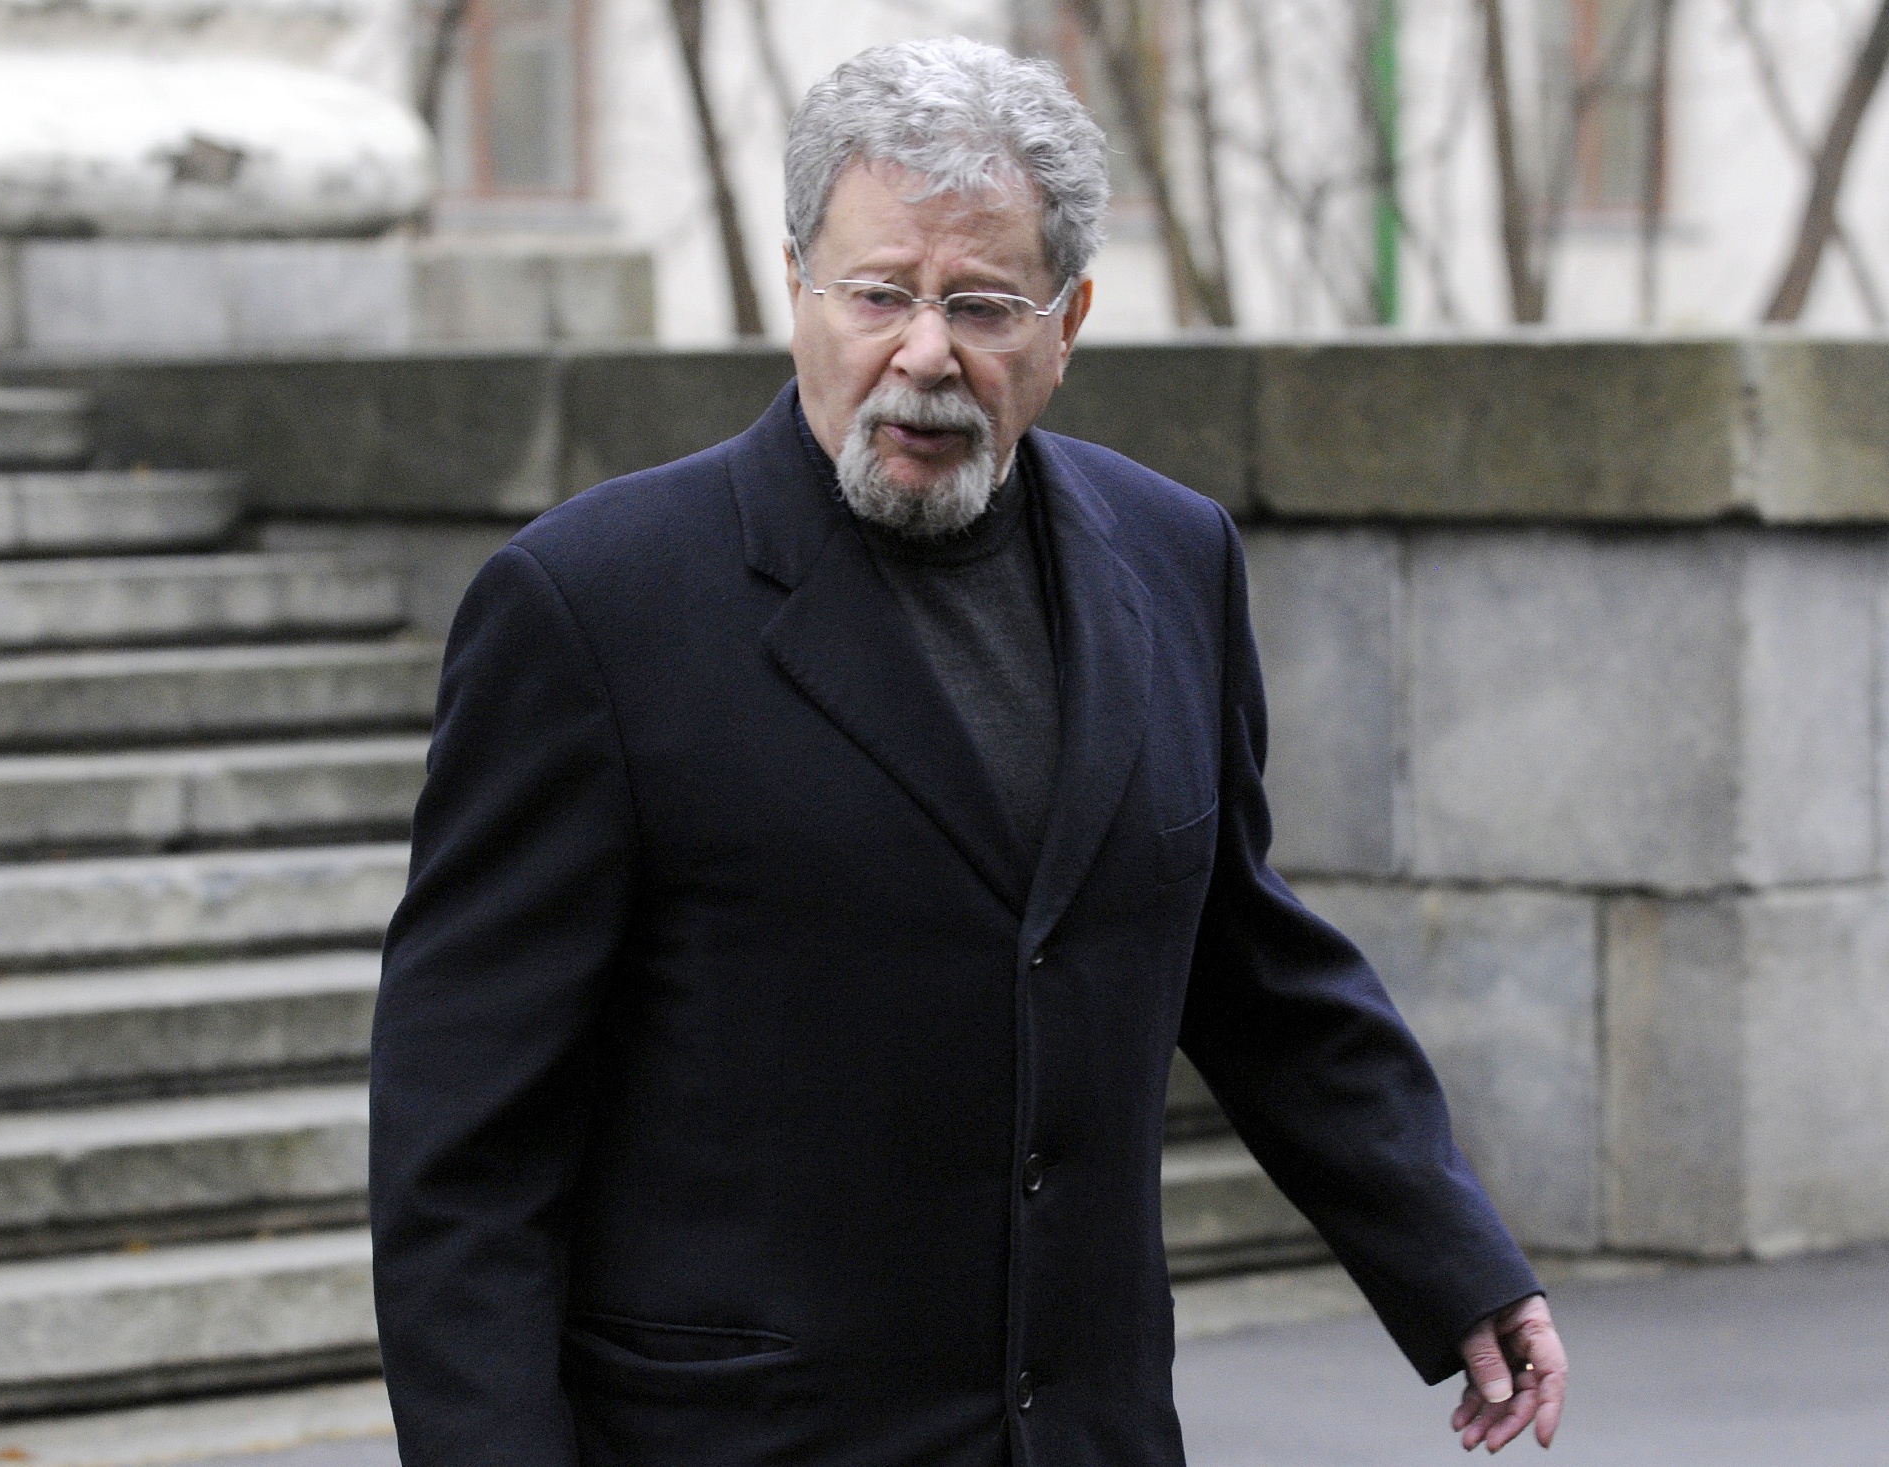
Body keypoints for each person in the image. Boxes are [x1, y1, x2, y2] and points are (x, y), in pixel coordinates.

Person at [370, 36, 1566, 1467]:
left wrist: (1452, 1258)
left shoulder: (1175, 558)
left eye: (983, 305)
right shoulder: (592, 605)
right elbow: (463, 1141)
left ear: (1070, 322)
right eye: (880, 293)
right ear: (798, 288)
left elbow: (1245, 958)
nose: (925, 353)